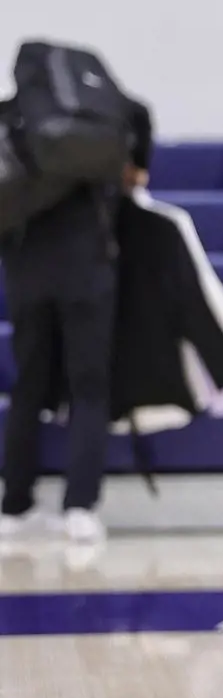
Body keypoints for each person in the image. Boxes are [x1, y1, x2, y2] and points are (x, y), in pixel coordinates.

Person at [0, 94, 152, 544]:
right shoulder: (99, 119)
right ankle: (80, 508)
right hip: (88, 271)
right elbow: (140, 114)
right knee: (89, 388)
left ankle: (14, 505)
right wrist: (138, 164)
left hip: (27, 272)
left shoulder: (14, 118)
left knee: (28, 386)